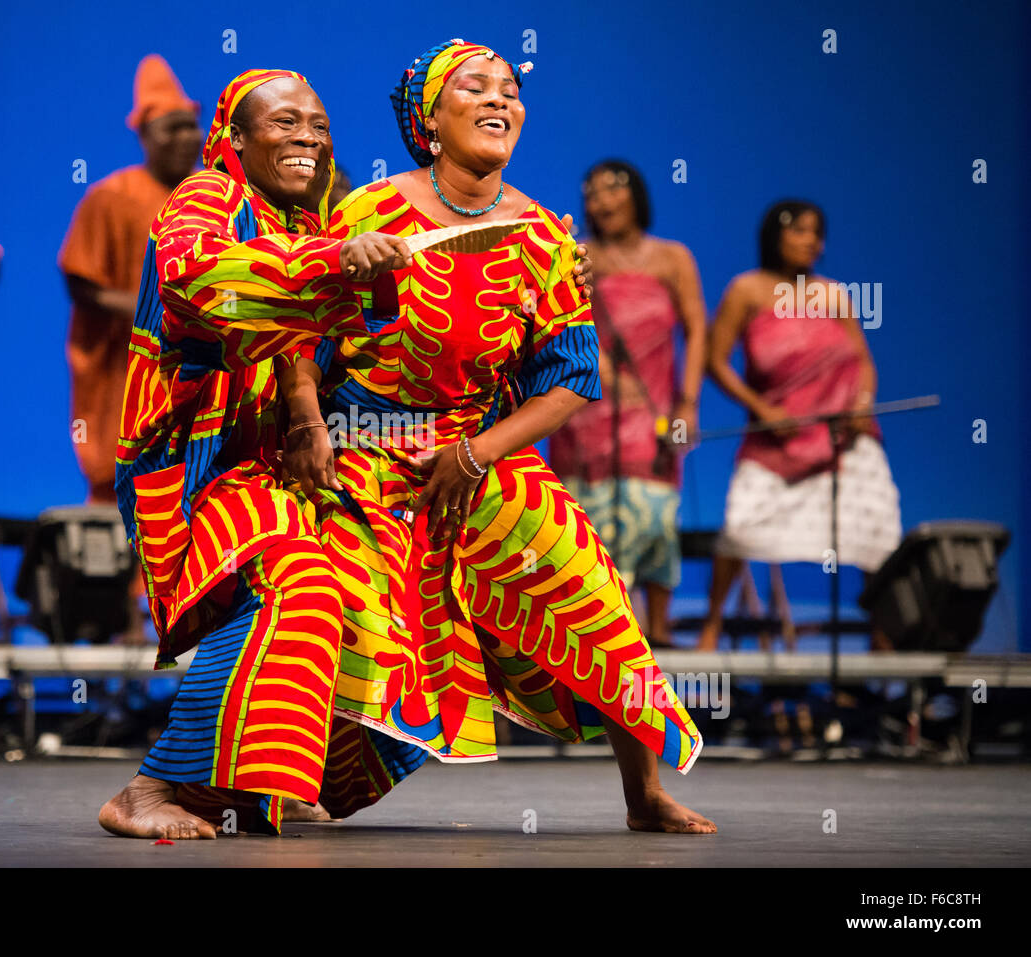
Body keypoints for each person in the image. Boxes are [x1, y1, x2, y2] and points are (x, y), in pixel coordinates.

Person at [282, 39, 715, 832]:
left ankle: (642, 795)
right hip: (361, 455)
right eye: (475, 87)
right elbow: (301, 339)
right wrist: (310, 426)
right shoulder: (369, 212)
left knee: (591, 586)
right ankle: (292, 778)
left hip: (478, 453)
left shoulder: (544, 234)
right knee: (346, 607)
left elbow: (571, 376)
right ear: (432, 122)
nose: (499, 99)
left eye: (509, 89)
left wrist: (475, 453)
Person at [96, 69, 414, 839]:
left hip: (265, 461)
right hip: (193, 460)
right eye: (285, 122)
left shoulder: (307, 225)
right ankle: (147, 788)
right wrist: (338, 268)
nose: (309, 134)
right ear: (236, 139)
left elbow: (322, 354)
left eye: (320, 124)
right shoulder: (210, 197)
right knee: (295, 579)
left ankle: (256, 783)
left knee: (392, 598)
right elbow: (202, 284)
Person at [696, 199, 902, 651]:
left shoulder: (833, 294)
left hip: (843, 438)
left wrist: (863, 403)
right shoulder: (746, 291)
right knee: (740, 527)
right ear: (776, 234)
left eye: (818, 233)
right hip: (777, 440)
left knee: (877, 532)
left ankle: (884, 638)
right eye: (802, 231)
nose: (813, 242)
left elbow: (863, 362)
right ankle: (710, 630)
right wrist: (762, 410)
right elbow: (714, 360)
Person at [550, 160, 707, 648]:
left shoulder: (672, 258)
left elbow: (697, 328)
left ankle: (655, 633)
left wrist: (689, 403)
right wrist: (599, 364)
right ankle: (606, 632)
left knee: (656, 516)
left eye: (613, 188)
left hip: (653, 411)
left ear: (636, 194)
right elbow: (562, 321)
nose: (602, 200)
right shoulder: (579, 255)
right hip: (586, 407)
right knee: (591, 526)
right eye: (591, 192)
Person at [58, 55, 203, 504]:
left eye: (189, 126)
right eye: (171, 128)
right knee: (127, 478)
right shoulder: (109, 197)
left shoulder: (216, 196)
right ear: (144, 136)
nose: (185, 138)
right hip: (127, 363)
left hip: (197, 363)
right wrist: (153, 313)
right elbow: (82, 284)